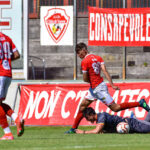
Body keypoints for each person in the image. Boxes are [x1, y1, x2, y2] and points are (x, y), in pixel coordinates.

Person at [65, 42, 150, 133]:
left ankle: (139, 103)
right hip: (96, 88)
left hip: (98, 89)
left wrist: (90, 79)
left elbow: (85, 79)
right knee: (82, 106)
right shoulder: (98, 58)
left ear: (84, 50)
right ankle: (73, 129)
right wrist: (112, 84)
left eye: (79, 52)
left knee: (115, 108)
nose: (78, 55)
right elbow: (105, 71)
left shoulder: (85, 62)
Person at [0, 32, 24, 140]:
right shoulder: (7, 38)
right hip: (8, 74)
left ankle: (8, 133)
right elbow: (17, 55)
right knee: (0, 103)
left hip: (0, 73)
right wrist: (6, 60)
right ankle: (16, 118)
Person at [76, 107, 150, 134]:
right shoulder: (100, 119)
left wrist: (84, 132)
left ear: (91, 115)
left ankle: (134, 118)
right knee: (146, 126)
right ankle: (134, 117)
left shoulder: (101, 117)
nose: (87, 120)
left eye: (87, 117)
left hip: (132, 124)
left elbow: (96, 131)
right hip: (130, 127)